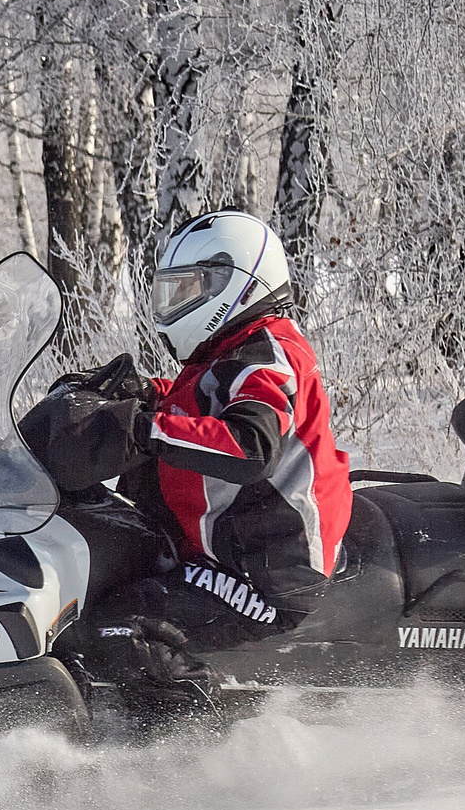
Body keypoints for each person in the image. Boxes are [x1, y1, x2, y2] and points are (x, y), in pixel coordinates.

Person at [21, 210, 352, 694]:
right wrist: (142, 394)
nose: (176, 304)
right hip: (218, 551)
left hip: (268, 570)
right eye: (171, 290)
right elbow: (201, 402)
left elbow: (250, 442)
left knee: (116, 630)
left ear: (237, 285)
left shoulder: (270, 353)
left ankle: (194, 756)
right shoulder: (228, 352)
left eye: (190, 288)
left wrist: (143, 427)